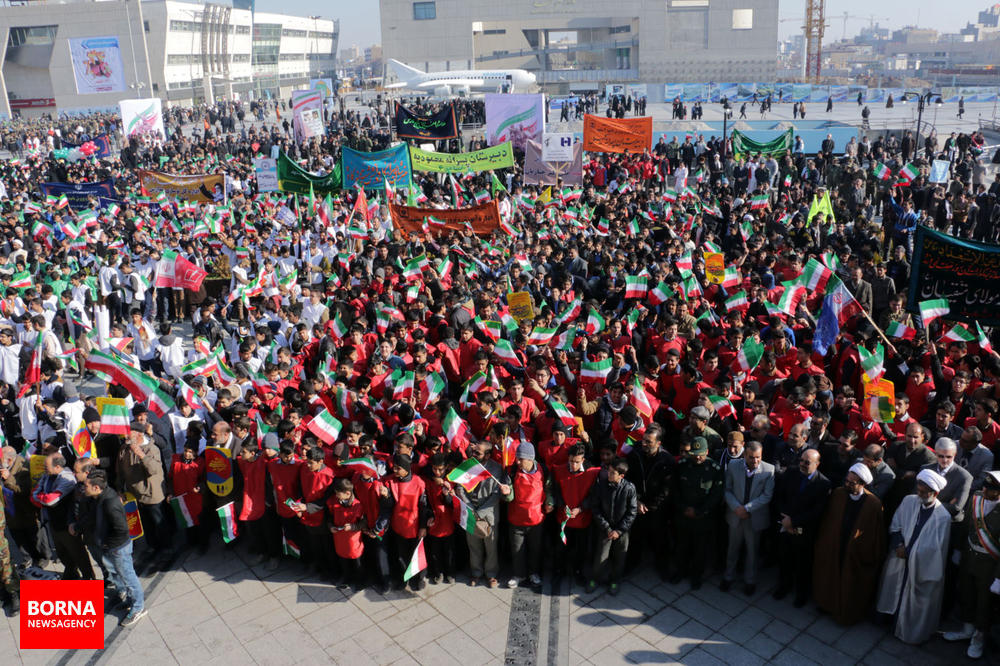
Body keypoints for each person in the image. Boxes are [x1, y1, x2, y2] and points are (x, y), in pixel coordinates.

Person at [876, 469, 952, 644]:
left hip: (919, 567)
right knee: (891, 589)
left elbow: (936, 550)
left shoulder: (943, 518)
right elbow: (896, 525)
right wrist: (899, 545)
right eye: (918, 490)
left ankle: (903, 629)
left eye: (924, 492)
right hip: (898, 557)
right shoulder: (909, 501)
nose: (920, 495)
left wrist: (910, 553)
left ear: (935, 493)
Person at [812, 462, 886, 624]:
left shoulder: (873, 504)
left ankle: (844, 614)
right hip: (834, 544)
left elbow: (875, 533)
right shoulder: (839, 494)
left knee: (849, 583)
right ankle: (826, 604)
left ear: (863, 484)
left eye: (851, 483)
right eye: (846, 481)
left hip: (855, 551)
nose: (847, 484)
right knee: (829, 576)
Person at [943, 471, 1000, 659]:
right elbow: (966, 524)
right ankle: (966, 628)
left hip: (989, 564)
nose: (984, 490)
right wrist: (959, 550)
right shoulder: (976, 498)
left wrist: (999, 578)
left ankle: (978, 637)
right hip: (968, 555)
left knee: (984, 602)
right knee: (966, 592)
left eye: (990, 489)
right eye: (985, 486)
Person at [80, 470, 147, 627]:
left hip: (118, 548)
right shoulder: (98, 498)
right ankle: (131, 600)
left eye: (86, 486)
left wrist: (108, 544)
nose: (84, 488)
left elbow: (122, 529)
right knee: (121, 576)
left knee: (129, 577)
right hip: (111, 547)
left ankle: (138, 608)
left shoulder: (110, 503)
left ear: (97, 488)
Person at [774, 449, 831, 607]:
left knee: (803, 564)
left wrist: (794, 522)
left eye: (807, 462)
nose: (802, 464)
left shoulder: (823, 484)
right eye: (801, 460)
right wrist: (785, 519)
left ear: (817, 464)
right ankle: (783, 586)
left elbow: (817, 511)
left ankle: (801, 594)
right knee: (784, 558)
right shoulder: (792, 472)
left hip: (805, 531)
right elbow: (780, 495)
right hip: (785, 525)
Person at [721, 441, 774, 596]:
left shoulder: (769, 470)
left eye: (758, 457)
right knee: (732, 548)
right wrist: (737, 507)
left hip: (753, 517)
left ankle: (750, 581)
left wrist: (747, 509)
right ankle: (728, 577)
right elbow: (727, 489)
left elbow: (767, 496)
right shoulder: (733, 465)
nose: (755, 461)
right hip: (735, 515)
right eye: (751, 457)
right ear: (745, 455)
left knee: (752, 551)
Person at [670, 436, 724, 589]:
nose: (698, 457)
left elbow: (716, 495)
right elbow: (675, 489)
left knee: (700, 549)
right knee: (682, 545)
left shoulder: (714, 469)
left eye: (701, 453)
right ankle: (681, 571)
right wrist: (683, 508)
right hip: (683, 515)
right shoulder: (682, 465)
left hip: (703, 517)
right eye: (694, 454)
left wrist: (700, 511)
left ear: (707, 451)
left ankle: (696, 576)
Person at [455, 440, 509, 588]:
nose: (473, 454)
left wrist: (481, 511)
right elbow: (460, 488)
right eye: (474, 451)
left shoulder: (496, 469)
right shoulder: (468, 466)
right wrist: (470, 507)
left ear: (487, 455)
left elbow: (497, 494)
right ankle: (476, 573)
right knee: (474, 546)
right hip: (471, 513)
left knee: (491, 547)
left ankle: (491, 574)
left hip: (488, 515)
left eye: (477, 453)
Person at [586, 457, 637, 595]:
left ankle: (615, 580)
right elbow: (595, 508)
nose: (609, 474)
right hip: (605, 529)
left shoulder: (629, 488)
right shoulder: (601, 485)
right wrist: (607, 528)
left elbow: (632, 512)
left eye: (613, 473)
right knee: (601, 556)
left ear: (621, 475)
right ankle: (595, 579)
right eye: (609, 471)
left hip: (622, 531)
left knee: (620, 556)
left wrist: (619, 530)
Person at [505, 442, 551, 589]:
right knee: (517, 549)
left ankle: (534, 573)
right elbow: (509, 497)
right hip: (516, 517)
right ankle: (519, 574)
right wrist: (506, 493)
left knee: (535, 549)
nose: (517, 462)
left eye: (521, 459)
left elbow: (549, 489)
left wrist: (550, 502)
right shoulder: (512, 471)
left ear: (530, 459)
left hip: (536, 518)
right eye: (517, 458)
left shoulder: (544, 470)